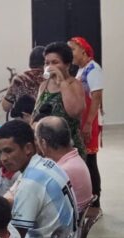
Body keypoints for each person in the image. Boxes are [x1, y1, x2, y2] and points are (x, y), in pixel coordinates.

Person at [0, 120, 78, 238]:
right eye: (0, 152)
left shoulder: (31, 183)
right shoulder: (46, 164)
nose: (3, 158)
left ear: (27, 148)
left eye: (8, 151)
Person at [69, 36, 104, 213]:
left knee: (90, 161)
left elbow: (96, 97)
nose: (71, 53)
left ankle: (95, 203)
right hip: (81, 120)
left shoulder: (93, 69)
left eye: (73, 49)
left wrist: (89, 124)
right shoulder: (82, 69)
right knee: (85, 160)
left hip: (89, 121)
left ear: (83, 50)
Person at [35, 41, 86, 157]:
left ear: (67, 65)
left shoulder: (74, 84)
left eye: (55, 62)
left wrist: (62, 82)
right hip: (46, 150)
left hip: (68, 148)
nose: (49, 66)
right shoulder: (44, 85)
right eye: (46, 63)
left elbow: (74, 112)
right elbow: (36, 113)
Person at [36, 116, 93, 212]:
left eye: (36, 139)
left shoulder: (62, 170)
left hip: (68, 220)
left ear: (43, 143)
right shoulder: (73, 158)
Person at [2, 46, 46, 113]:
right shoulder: (51, 79)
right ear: (45, 62)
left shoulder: (19, 79)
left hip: (24, 120)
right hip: (45, 120)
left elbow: (6, 107)